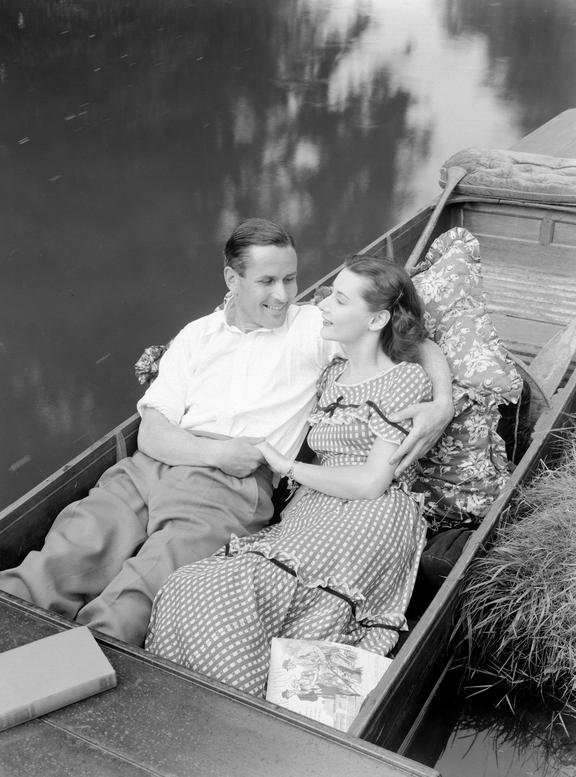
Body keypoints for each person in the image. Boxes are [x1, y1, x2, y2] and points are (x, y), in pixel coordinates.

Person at [0, 219, 452, 647]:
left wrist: (442, 403)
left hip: (231, 484)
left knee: (139, 593)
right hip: (152, 466)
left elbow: (413, 338)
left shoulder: (313, 328)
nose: (283, 295)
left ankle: (77, 679)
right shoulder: (197, 336)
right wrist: (211, 453)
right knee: (71, 550)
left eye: (290, 279)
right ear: (232, 280)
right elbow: (152, 433)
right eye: (267, 281)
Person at [145, 256, 433, 696]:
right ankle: (203, 696)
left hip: (369, 512)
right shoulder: (332, 372)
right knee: (191, 584)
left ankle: (242, 703)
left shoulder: (405, 380)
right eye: (327, 293)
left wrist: (286, 466)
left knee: (262, 590)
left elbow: (373, 481)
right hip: (313, 504)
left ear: (376, 319)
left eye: (338, 298)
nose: (322, 305)